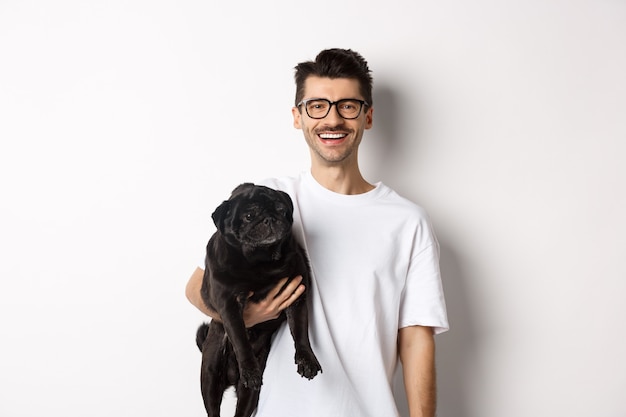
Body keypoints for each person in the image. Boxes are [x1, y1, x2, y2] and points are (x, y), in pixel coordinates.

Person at [185, 48, 449, 417]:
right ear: (297, 117)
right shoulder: (266, 198)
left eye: (348, 106)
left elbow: (416, 339)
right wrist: (247, 316)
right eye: (317, 106)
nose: (333, 119)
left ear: (368, 116)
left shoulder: (408, 221)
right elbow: (196, 287)